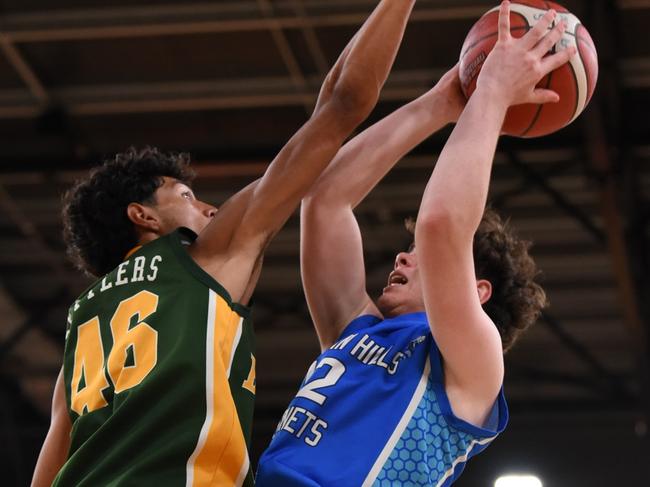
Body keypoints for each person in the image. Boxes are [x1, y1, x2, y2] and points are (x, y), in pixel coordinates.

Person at [30, 1, 420, 486]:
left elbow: (48, 469)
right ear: (143, 216)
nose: (210, 210)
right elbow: (342, 104)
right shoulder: (202, 260)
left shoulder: (82, 323)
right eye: (187, 196)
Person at [256, 2, 574, 485]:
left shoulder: (473, 361)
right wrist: (438, 104)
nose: (402, 256)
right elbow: (325, 200)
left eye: (419, 258)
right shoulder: (355, 332)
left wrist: (493, 92)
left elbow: (442, 224)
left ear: (478, 289)